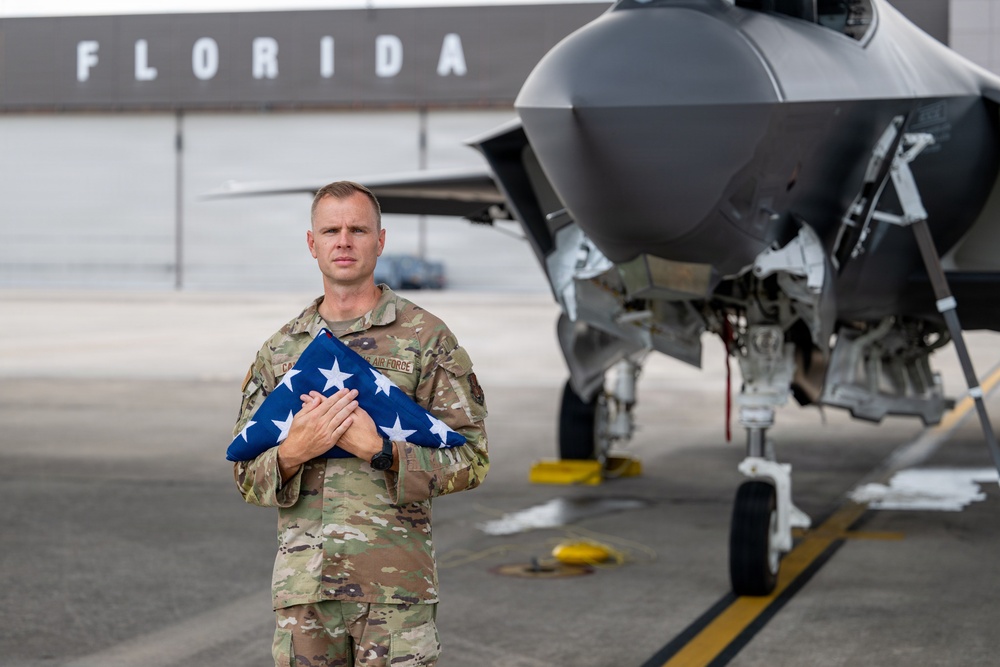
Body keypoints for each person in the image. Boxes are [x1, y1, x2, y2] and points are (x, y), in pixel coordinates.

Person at [232, 181, 489, 667]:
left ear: (380, 240)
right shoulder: (282, 350)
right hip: (305, 592)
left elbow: (472, 459)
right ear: (313, 244)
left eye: (358, 229)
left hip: (395, 592)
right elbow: (245, 473)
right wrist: (293, 451)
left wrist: (382, 451)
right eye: (331, 231)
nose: (344, 241)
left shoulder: (425, 338)